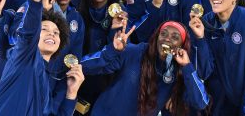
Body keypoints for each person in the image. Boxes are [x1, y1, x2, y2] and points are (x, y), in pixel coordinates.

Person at [0, 0, 84, 115]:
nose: (52, 34)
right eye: (44, 30)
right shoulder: (23, 57)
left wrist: (71, 93)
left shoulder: (45, 81)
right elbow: (27, 33)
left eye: (56, 33)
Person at [81, 20, 209, 115]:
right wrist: (112, 50)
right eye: (163, 34)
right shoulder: (134, 51)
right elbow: (84, 67)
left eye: (175, 37)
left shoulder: (179, 71)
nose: (167, 39)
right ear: (156, 37)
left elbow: (200, 102)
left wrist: (187, 66)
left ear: (182, 45)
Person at [77, 0, 124, 114]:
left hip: (104, 89)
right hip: (74, 84)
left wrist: (113, 31)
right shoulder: (73, 7)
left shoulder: (119, 16)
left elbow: (116, 63)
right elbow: (70, 61)